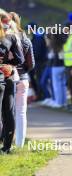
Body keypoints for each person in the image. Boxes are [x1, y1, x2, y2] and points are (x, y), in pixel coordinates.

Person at [10, 12, 35, 147]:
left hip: (9, 78)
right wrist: (24, 71)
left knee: (6, 111)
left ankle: (5, 139)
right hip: (23, 78)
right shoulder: (26, 39)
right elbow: (32, 64)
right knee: (21, 113)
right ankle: (19, 144)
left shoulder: (5, 38)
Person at [0, 12, 24, 153]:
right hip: (7, 76)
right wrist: (9, 64)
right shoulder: (12, 37)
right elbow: (20, 59)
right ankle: (7, 147)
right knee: (8, 112)